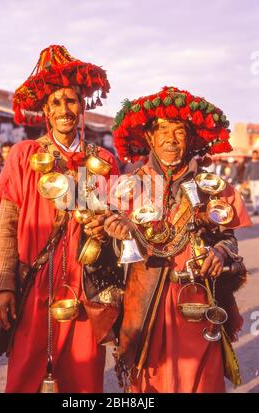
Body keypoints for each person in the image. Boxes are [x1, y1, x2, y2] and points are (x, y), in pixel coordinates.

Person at [0, 44, 123, 393]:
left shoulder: (104, 160)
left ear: (82, 106)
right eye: (57, 103)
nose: (65, 109)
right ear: (45, 112)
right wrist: (4, 286)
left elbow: (120, 221)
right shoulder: (24, 155)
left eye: (72, 101)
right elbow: (7, 225)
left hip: (86, 286)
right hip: (35, 283)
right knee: (26, 375)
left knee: (84, 380)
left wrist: (107, 224)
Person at [105, 86, 251, 393]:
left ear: (192, 139)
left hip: (195, 301)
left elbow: (228, 238)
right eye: (162, 131)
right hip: (144, 303)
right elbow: (113, 255)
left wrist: (221, 254)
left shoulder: (210, 186)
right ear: (149, 138)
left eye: (180, 132)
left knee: (199, 381)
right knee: (150, 383)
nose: (171, 140)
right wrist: (117, 237)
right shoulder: (127, 187)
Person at [244, 150, 259, 216]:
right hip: (252, 181)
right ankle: (255, 209)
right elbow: (246, 172)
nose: (255, 155)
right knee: (253, 196)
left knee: (257, 194)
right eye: (254, 154)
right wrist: (245, 180)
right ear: (252, 155)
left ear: (257, 155)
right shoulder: (249, 163)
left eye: (256, 154)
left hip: (258, 181)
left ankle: (257, 209)